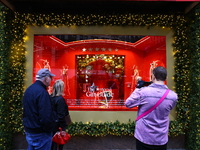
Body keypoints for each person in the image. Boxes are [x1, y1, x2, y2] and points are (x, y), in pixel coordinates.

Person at [125, 66, 178, 150]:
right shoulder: (173, 96)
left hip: (143, 136)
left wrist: (138, 88)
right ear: (166, 78)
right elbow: (169, 108)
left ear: (152, 76)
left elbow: (128, 104)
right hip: (161, 138)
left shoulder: (143, 92)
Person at [22, 68, 56, 150]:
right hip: (41, 133)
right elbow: (45, 116)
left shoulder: (29, 90)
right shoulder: (42, 93)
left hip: (30, 130)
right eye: (50, 78)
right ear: (46, 78)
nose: (51, 80)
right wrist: (49, 129)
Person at [51, 80, 69, 150]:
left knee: (53, 144)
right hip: (58, 125)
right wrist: (63, 127)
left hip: (51, 123)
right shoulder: (60, 99)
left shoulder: (50, 97)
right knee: (59, 143)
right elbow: (61, 114)